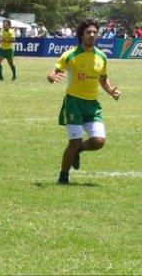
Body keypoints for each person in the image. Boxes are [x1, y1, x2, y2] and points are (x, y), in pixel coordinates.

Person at [46, 19, 121, 185]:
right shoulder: (70, 55)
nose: (92, 35)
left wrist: (111, 92)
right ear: (81, 35)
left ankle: (79, 149)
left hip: (92, 104)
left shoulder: (101, 56)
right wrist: (51, 77)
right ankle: (63, 176)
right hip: (74, 103)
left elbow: (103, 79)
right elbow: (53, 72)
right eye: (89, 32)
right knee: (73, 142)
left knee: (98, 141)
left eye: (95, 32)